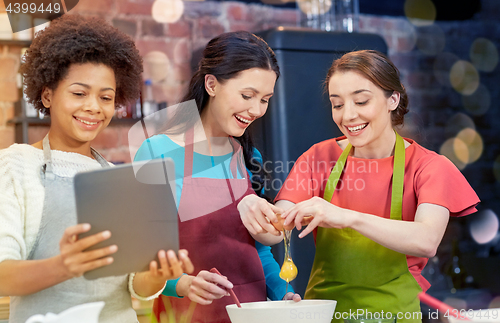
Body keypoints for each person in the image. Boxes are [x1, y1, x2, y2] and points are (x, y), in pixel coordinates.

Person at [248, 50, 480, 323]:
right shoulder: (318, 158)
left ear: (392, 99)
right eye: (337, 105)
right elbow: (276, 230)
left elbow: (426, 240)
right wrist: (253, 207)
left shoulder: (429, 167)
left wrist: (346, 217)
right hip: (326, 315)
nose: (348, 116)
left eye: (361, 101)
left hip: (393, 316)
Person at [0, 14, 193, 323]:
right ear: (47, 94)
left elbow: (135, 287)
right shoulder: (16, 166)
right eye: (79, 93)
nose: (94, 107)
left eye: (106, 97)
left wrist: (157, 275)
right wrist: (63, 266)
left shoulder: (121, 179)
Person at [134, 31, 300, 323]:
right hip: (186, 313)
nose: (256, 110)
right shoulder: (157, 151)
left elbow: (259, 252)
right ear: (211, 84)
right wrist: (184, 283)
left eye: (265, 99)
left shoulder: (249, 157)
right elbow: (145, 258)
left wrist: (282, 292)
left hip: (253, 313)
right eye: (247, 95)